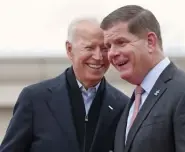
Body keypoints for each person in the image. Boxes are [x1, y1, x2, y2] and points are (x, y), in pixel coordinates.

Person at [101, 5, 185, 152]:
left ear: (150, 41)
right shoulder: (132, 103)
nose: (112, 53)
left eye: (121, 42)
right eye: (108, 46)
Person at [0, 18, 129, 152]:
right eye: (89, 47)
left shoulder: (123, 106)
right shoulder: (35, 99)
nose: (98, 56)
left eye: (104, 49)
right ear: (69, 49)